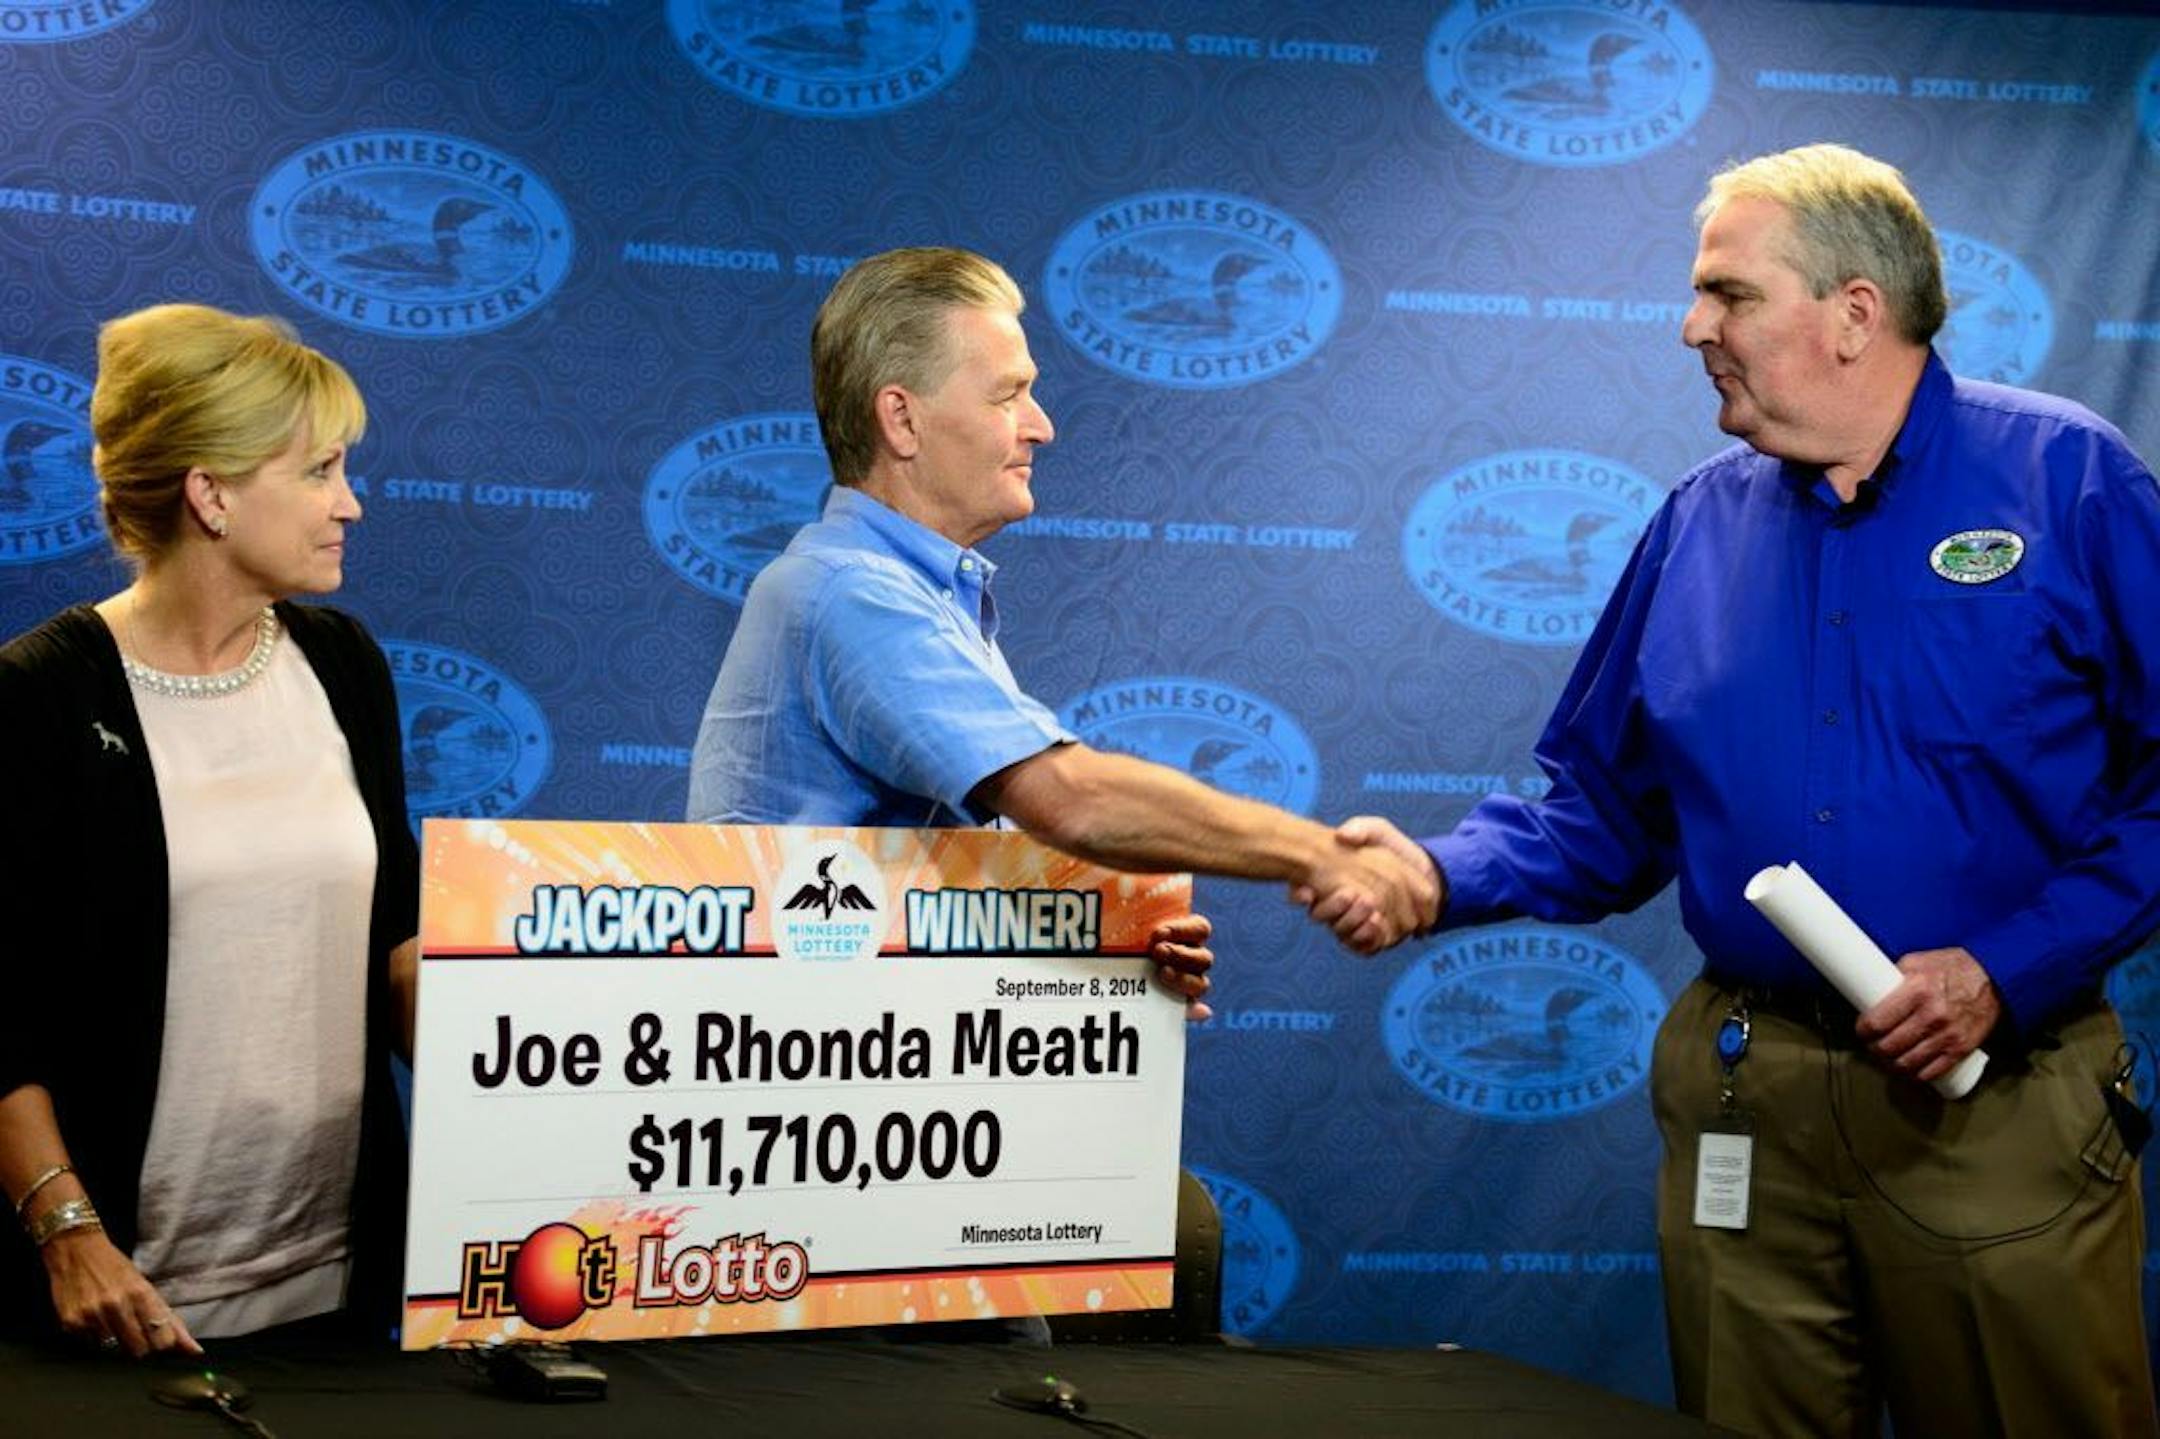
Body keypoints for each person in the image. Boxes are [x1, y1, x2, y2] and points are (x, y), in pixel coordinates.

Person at [1329, 145, 2160, 1436]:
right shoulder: (1694, 525)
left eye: (1727, 292)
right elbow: (1599, 812)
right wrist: (1433, 873)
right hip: (1748, 1109)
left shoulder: (2072, 482)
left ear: (1853, 313)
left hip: (1995, 1097)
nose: (1689, 325)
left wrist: (2002, 965)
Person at [685, 247, 1439, 994]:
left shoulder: (909, 592)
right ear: (902, 419)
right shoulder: (851, 592)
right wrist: (1323, 855)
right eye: (1006, 396)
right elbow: (1069, 798)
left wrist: (1106, 955)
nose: (1039, 426)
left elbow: (925, 885)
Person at [0, 304, 419, 1357]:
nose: (350, 504)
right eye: (321, 470)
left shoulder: (344, 665)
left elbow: (396, 935)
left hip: (344, 1297)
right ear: (212, 493)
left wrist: (547, 1067)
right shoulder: (39, 695)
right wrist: (69, 1233)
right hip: (123, 1307)